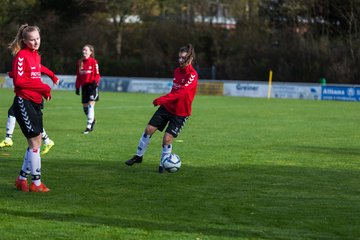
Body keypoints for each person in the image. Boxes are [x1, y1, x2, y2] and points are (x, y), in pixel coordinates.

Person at [125, 44, 198, 173]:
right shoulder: (176, 71)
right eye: (179, 58)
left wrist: (161, 99)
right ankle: (138, 156)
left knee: (167, 139)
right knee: (149, 129)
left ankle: (163, 164)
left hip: (181, 112)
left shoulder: (192, 75)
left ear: (190, 59)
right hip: (167, 108)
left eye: (183, 58)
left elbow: (181, 92)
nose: (180, 60)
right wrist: (164, 102)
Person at [9, 24, 56, 192]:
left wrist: (43, 92)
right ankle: (36, 183)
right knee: (35, 142)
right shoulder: (21, 55)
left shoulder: (36, 56)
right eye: (32, 39)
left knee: (34, 142)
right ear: (24, 41)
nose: (36, 42)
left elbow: (33, 79)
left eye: (38, 38)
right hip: (24, 102)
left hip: (35, 102)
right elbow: (20, 82)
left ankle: (22, 179)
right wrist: (44, 88)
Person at [0, 71, 58, 155]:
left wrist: (53, 79)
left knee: (32, 121)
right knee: (16, 113)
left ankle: (9, 139)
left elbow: (43, 70)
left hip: (32, 96)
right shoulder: (25, 63)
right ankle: (47, 141)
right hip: (27, 95)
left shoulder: (29, 61)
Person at [75, 44, 100, 134]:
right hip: (84, 87)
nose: (84, 52)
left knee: (90, 105)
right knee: (85, 108)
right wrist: (77, 87)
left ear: (91, 52)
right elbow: (78, 76)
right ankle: (92, 120)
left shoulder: (94, 62)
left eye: (86, 50)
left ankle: (88, 126)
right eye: (83, 50)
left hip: (92, 86)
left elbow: (97, 74)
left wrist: (95, 82)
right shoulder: (80, 62)